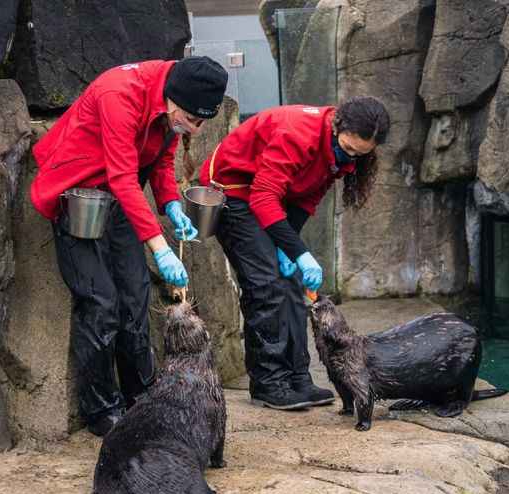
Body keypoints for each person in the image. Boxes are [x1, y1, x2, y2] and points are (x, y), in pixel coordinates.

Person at [30, 57, 229, 436]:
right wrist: (161, 249)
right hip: (77, 192)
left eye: (201, 122)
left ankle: (141, 396)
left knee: (135, 293)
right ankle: (102, 410)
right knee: (100, 302)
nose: (194, 128)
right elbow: (122, 176)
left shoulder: (173, 103)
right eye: (191, 118)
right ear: (173, 98)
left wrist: (171, 203)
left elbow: (159, 161)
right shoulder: (118, 94)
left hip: (120, 199)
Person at [201, 97, 390, 410]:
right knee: (265, 285)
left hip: (272, 198)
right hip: (235, 192)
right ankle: (269, 381)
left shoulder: (341, 152)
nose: (351, 157)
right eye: (348, 148)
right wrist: (300, 252)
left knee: (290, 285)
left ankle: (298, 376)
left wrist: (289, 246)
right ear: (337, 125)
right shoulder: (297, 134)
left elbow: (307, 198)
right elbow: (262, 196)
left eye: (360, 154)